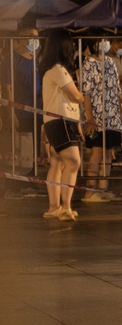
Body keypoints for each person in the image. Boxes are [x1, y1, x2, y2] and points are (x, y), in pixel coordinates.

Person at [40, 31, 85, 221]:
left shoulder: (51, 69)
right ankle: (65, 207)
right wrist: (84, 97)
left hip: (55, 121)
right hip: (61, 121)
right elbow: (75, 96)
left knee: (57, 163)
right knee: (73, 162)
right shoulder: (58, 69)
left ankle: (53, 207)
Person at [80, 34, 122, 202]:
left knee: (108, 152)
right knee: (96, 152)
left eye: (107, 40)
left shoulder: (111, 63)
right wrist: (89, 117)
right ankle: (89, 192)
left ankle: (103, 190)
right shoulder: (88, 64)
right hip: (97, 116)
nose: (105, 43)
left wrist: (121, 115)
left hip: (113, 116)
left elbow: (116, 92)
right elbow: (86, 93)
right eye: (102, 40)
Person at [3, 16, 40, 197]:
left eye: (37, 37)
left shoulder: (35, 59)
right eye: (32, 37)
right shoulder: (11, 59)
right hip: (19, 110)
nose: (36, 40)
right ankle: (14, 184)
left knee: (33, 149)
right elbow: (7, 87)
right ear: (22, 38)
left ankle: (30, 181)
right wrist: (12, 112)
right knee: (17, 149)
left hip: (36, 110)